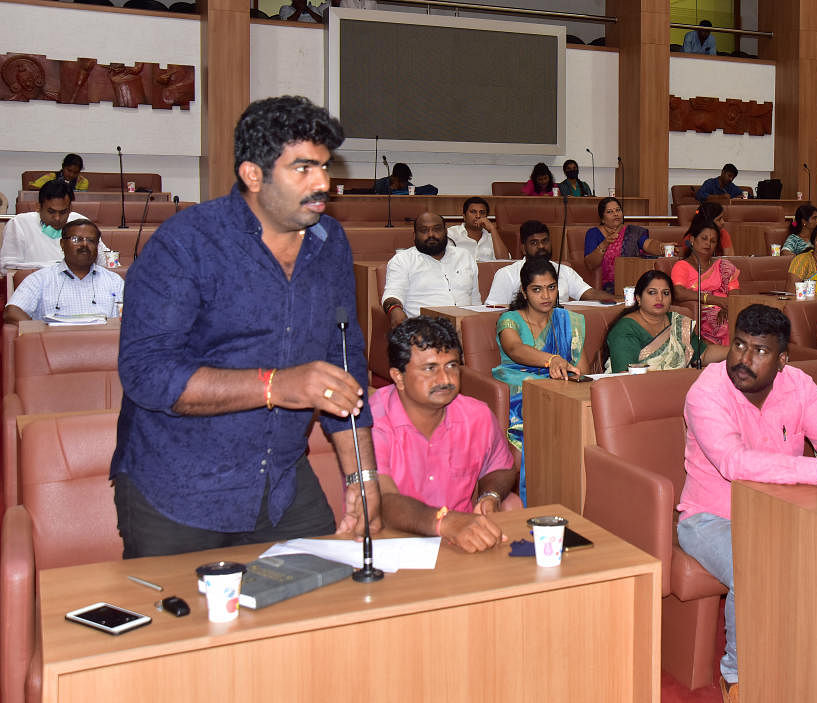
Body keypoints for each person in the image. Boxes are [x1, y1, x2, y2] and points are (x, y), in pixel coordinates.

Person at [111, 95, 379, 558]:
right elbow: (147, 374)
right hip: (178, 491)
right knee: (189, 627)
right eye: (303, 168)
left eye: (324, 166)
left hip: (280, 483)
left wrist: (363, 476)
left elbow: (344, 359)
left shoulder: (329, 242)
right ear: (253, 174)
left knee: (321, 612)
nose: (323, 183)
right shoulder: (184, 245)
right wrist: (276, 385)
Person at [676, 304, 817, 703]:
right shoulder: (707, 390)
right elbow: (734, 463)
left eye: (759, 351)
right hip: (711, 517)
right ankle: (738, 675)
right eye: (738, 346)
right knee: (755, 565)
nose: (743, 360)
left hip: (786, 510)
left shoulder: (798, 385)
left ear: (783, 359)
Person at [372, 317, 517, 553]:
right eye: (430, 369)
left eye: (451, 366)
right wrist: (444, 521)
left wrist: (490, 495)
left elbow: (501, 467)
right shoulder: (374, 421)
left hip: (458, 545)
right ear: (398, 377)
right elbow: (381, 499)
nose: (445, 379)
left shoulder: (476, 415)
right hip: (390, 546)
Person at [492, 258, 588, 499]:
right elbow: (514, 349)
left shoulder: (569, 322)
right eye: (537, 289)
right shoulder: (510, 319)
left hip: (560, 393)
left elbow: (581, 371)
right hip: (519, 396)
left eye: (551, 287)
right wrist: (551, 360)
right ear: (524, 292)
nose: (546, 295)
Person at [3, 219, 124, 322]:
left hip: (103, 345)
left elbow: (132, 316)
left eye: (91, 240)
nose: (84, 245)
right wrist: (41, 332)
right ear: (62, 244)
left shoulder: (114, 281)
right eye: (77, 239)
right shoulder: (40, 279)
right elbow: (12, 311)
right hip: (54, 346)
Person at [604, 270, 726, 372]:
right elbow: (625, 375)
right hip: (637, 393)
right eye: (652, 293)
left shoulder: (677, 322)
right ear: (638, 298)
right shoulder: (625, 329)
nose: (660, 298)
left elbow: (702, 354)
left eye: (666, 293)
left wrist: (736, 351)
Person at [484, 220, 614, 305]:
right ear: (523, 248)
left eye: (545, 241)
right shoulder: (507, 274)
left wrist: (621, 301)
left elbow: (589, 293)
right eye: (534, 243)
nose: (541, 246)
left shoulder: (564, 270)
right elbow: (493, 310)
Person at [382, 212, 480, 322]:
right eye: (424, 230)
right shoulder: (403, 260)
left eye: (437, 229)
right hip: (425, 329)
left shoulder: (464, 256)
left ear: (446, 231)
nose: (431, 235)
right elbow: (392, 296)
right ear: (414, 235)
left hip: (467, 326)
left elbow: (475, 299)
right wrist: (395, 311)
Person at [0, 179, 104, 273]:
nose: (57, 218)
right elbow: (7, 267)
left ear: (70, 208)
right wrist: (56, 268)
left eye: (63, 212)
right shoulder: (19, 224)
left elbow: (104, 260)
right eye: (51, 212)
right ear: (38, 207)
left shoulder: (81, 223)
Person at [671, 224, 740, 344]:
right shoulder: (681, 266)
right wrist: (714, 300)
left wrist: (728, 306)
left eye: (713, 241)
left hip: (727, 310)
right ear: (692, 240)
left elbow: (735, 293)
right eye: (704, 238)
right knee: (723, 325)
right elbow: (678, 292)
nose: (708, 243)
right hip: (700, 313)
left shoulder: (724, 266)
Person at [583, 196, 665, 293]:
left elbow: (648, 244)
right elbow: (590, 264)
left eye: (618, 210)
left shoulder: (632, 232)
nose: (615, 214)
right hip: (604, 288)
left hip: (631, 283)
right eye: (610, 212)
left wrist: (663, 247)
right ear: (602, 219)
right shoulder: (593, 233)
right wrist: (605, 244)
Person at [446, 196, 508, 262]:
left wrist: (493, 229)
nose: (478, 216)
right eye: (473, 212)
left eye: (482, 212)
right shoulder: (451, 234)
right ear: (464, 216)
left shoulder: (492, 237)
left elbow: (505, 261)